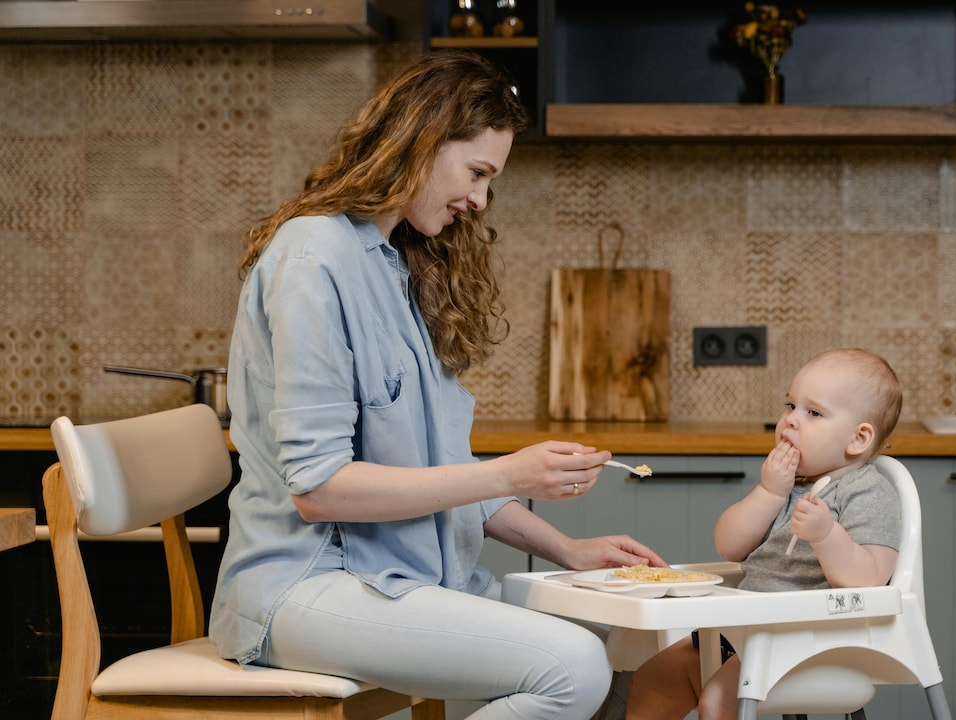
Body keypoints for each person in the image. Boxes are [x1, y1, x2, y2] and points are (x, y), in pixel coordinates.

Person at [208, 49, 666, 720]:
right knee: (572, 668)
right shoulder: (314, 257)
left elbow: (440, 468)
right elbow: (319, 489)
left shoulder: (395, 266)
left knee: (625, 644)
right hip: (305, 586)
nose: (479, 200)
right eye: (477, 173)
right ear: (421, 141)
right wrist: (508, 474)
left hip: (396, 577)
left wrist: (566, 549)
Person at [624, 348, 904, 720]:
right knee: (654, 679)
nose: (791, 420)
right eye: (790, 405)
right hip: (743, 632)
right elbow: (729, 546)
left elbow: (870, 579)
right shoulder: (786, 486)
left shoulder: (866, 491)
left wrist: (826, 535)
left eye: (813, 413)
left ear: (858, 438)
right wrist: (769, 492)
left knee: (719, 700)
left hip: (812, 642)